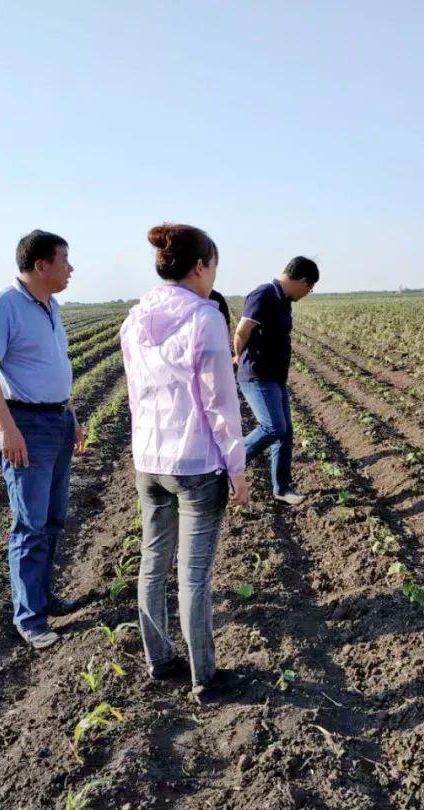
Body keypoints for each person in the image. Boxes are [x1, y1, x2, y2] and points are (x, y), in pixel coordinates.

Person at [121, 223, 250, 700]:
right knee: (194, 575)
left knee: (153, 563)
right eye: (214, 266)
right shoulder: (204, 318)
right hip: (195, 464)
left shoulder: (134, 319)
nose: (213, 275)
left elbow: (136, 393)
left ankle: (160, 660)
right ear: (199, 267)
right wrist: (236, 468)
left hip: (149, 461)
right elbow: (221, 403)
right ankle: (205, 678)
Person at [0, 230, 86, 650]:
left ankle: (43, 595)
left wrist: (70, 415)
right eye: (65, 260)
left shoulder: (50, 305)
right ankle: (29, 617)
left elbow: (53, 368)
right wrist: (6, 428)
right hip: (24, 426)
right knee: (30, 524)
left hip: (55, 421)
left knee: (54, 518)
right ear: (41, 265)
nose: (71, 268)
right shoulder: (2, 305)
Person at [233, 257, 319, 505]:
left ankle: (282, 488)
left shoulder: (284, 301)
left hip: (276, 378)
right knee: (272, 427)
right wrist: (239, 356)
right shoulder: (264, 294)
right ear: (302, 281)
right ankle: (228, 464)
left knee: (285, 434)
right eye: (310, 288)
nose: (308, 293)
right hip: (258, 375)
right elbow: (242, 329)